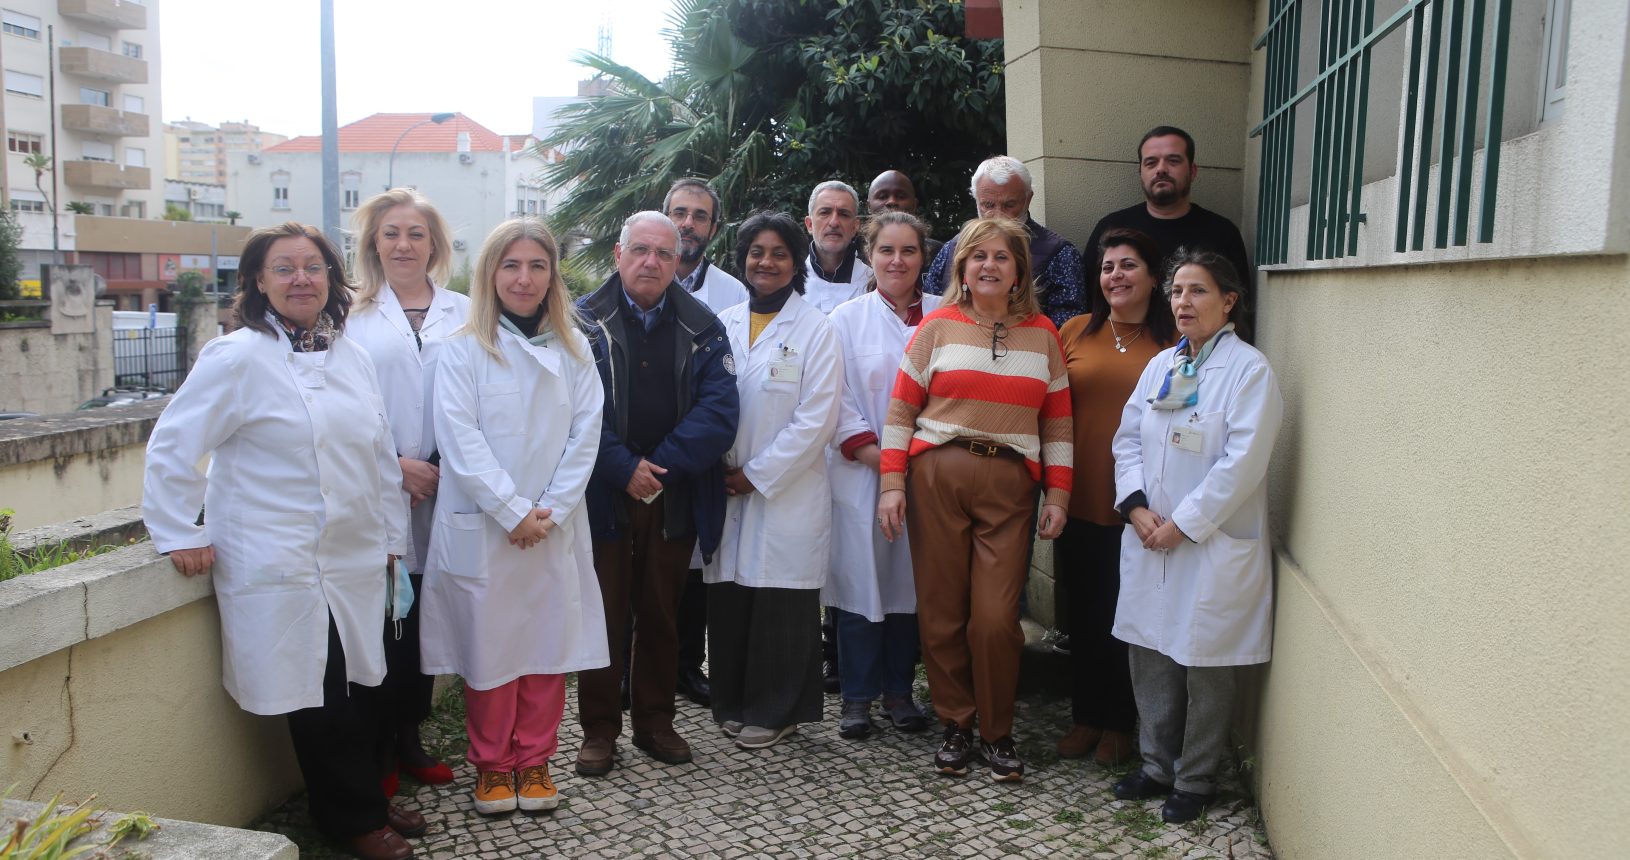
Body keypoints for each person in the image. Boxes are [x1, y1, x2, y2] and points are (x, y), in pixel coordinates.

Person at [143, 222, 425, 860]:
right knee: (322, 696)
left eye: (313, 267)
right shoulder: (236, 357)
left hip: (356, 555)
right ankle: (350, 819)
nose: (301, 279)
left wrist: (391, 538)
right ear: (258, 282)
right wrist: (178, 530)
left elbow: (379, 454)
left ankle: (369, 797)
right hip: (281, 558)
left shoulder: (349, 355)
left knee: (366, 685)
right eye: (284, 268)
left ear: (331, 279)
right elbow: (174, 444)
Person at [417, 219, 606, 817]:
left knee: (546, 649)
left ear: (553, 276)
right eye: (511, 265)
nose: (524, 279)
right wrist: (513, 512)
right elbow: (460, 440)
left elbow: (586, 436)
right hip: (488, 525)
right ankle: (493, 765)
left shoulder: (575, 350)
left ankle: (536, 760)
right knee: (491, 651)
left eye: (537, 266)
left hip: (552, 525)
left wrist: (548, 512)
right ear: (490, 273)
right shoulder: (461, 349)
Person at [878, 217, 1073, 783]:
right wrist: (892, 484)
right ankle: (957, 724)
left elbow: (1058, 421)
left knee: (995, 618)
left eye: (1002, 257)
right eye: (978, 256)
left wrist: (1059, 493)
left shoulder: (1044, 334)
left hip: (1010, 485)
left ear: (1019, 271)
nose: (989, 265)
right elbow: (900, 410)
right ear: (962, 268)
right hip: (936, 475)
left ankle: (997, 730)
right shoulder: (936, 327)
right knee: (942, 610)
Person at [1109, 249, 1282, 824]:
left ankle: (1197, 778)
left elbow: (1243, 463)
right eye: (1177, 291)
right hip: (1149, 535)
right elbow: (1127, 440)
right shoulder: (1161, 365)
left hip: (1207, 541)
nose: (1183, 302)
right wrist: (1135, 506)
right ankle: (1157, 765)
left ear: (1229, 301)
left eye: (1198, 290)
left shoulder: (1249, 371)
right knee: (1150, 653)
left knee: (1206, 662)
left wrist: (1184, 524)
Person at [575, 211, 740, 776]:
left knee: (661, 612)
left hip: (671, 494)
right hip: (601, 490)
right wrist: (623, 468)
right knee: (603, 613)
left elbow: (719, 412)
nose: (651, 262)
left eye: (664, 254)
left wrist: (657, 469)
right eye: (640, 250)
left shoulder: (703, 325)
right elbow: (567, 411)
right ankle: (599, 730)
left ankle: (654, 721)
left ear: (678, 262)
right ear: (618, 254)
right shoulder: (581, 323)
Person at [345, 188, 468, 792]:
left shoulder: (466, 310)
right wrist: (397, 466)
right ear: (374, 242)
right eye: (391, 233)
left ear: (435, 245)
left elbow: (480, 397)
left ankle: (411, 738)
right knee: (383, 622)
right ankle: (381, 751)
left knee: (424, 621)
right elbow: (341, 408)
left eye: (416, 234)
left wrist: (437, 467)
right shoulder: (348, 315)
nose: (403, 245)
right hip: (377, 488)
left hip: (448, 486)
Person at [706, 211, 843, 750]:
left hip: (785, 488)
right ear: (742, 259)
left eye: (779, 253)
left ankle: (778, 709)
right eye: (756, 252)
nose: (766, 262)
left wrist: (755, 475)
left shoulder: (817, 329)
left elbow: (817, 420)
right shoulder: (723, 323)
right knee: (732, 597)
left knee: (781, 602)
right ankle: (734, 702)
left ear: (795, 261)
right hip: (726, 482)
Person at [1054, 228, 1177, 766]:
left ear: (1153, 277)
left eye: (1128, 265)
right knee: (1082, 614)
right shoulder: (1075, 331)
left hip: (1142, 506)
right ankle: (1085, 716)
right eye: (1108, 267)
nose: (1116, 276)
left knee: (1127, 616)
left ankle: (1120, 724)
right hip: (1077, 495)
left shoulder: (1174, 342)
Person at [825, 212, 939, 740]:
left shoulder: (945, 315)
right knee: (860, 583)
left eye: (908, 250)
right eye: (886, 250)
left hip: (929, 476)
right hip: (861, 473)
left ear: (923, 256)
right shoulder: (845, 320)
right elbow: (836, 398)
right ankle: (856, 698)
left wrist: (916, 464)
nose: (897, 261)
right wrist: (884, 459)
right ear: (869, 256)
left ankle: (899, 692)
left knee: (909, 585)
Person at [662, 177, 749, 708]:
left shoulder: (733, 294)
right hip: (642, 453)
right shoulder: (635, 276)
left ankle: (688, 667)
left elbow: (730, 379)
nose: (688, 224)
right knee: (640, 566)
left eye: (699, 216)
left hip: (699, 450)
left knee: (694, 565)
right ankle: (631, 669)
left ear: (714, 228)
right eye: (680, 212)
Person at [1082, 126, 1252, 297]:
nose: (1161, 169)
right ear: (1141, 173)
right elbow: (1087, 298)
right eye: (1151, 163)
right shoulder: (1112, 228)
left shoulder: (1222, 233)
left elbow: (1239, 305)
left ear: (1192, 171)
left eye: (1173, 161)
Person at [923, 156, 1087, 329]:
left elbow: (1067, 329)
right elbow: (929, 310)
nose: (998, 214)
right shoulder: (952, 247)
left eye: (1009, 205)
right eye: (988, 205)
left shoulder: (1059, 253)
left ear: (1028, 199)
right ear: (977, 200)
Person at [802, 180, 872, 315]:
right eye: (825, 212)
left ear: (855, 226)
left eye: (844, 214)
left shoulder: (874, 283)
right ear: (810, 224)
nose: (834, 223)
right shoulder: (787, 282)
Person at [865, 170, 943, 262]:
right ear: (869, 206)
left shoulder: (938, 253)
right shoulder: (853, 252)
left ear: (914, 205)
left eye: (901, 196)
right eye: (882, 197)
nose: (892, 201)